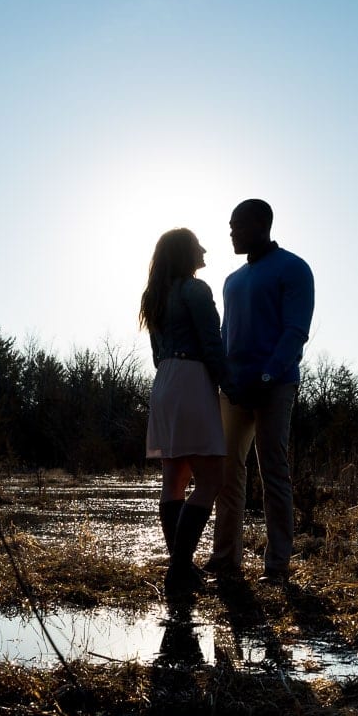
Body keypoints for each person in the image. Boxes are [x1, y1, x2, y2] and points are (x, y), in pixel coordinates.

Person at [206, 199, 314, 584]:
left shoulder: (294, 269)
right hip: (233, 391)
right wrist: (224, 379)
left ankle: (277, 565)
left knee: (273, 471)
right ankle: (224, 559)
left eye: (236, 224)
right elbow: (226, 334)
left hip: (275, 386)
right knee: (226, 472)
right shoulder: (232, 280)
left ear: (259, 224)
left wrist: (266, 377)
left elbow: (295, 333)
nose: (231, 232)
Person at [140, 228, 227, 598]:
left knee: (173, 479)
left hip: (165, 381)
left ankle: (182, 568)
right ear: (184, 252)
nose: (204, 249)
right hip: (192, 377)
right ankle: (178, 570)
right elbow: (212, 343)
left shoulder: (154, 294)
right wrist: (229, 384)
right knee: (210, 480)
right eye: (197, 244)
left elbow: (157, 353)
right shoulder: (196, 289)